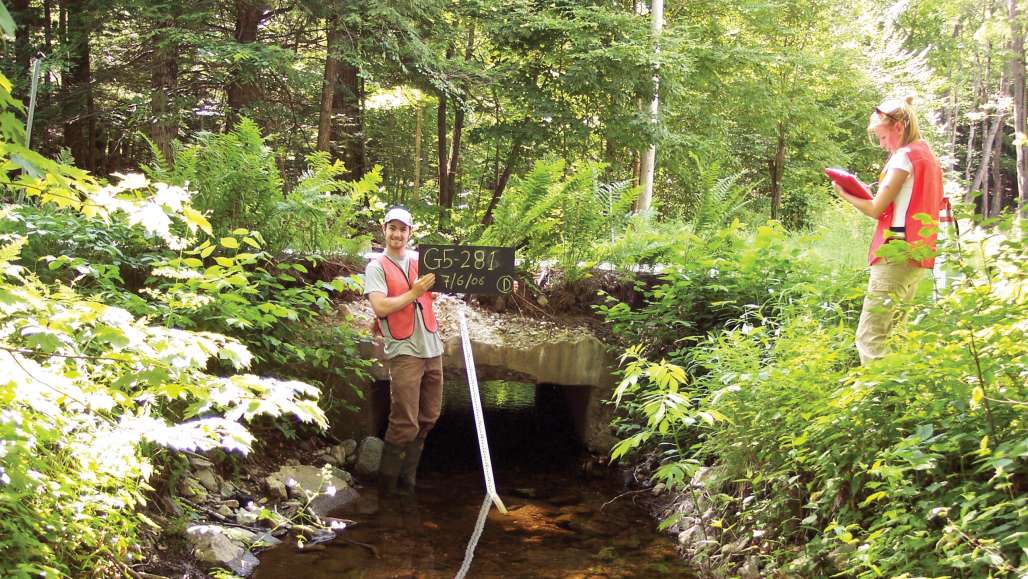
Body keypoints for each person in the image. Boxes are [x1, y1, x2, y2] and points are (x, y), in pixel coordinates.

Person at [833, 96, 943, 365]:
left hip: (896, 251)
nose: (883, 146)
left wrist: (843, 193)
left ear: (898, 127)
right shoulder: (926, 154)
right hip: (918, 252)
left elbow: (874, 209)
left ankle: (878, 400)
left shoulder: (904, 157)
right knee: (895, 333)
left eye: (883, 138)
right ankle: (899, 397)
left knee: (871, 336)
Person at [364, 206, 443, 495]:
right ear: (383, 230)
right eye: (392, 228)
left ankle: (407, 484)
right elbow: (380, 306)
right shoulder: (376, 267)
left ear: (410, 233)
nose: (397, 234)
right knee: (404, 423)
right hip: (404, 349)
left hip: (431, 346)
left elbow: (453, 284)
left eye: (403, 229)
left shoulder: (423, 261)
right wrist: (413, 293)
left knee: (428, 417)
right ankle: (387, 489)